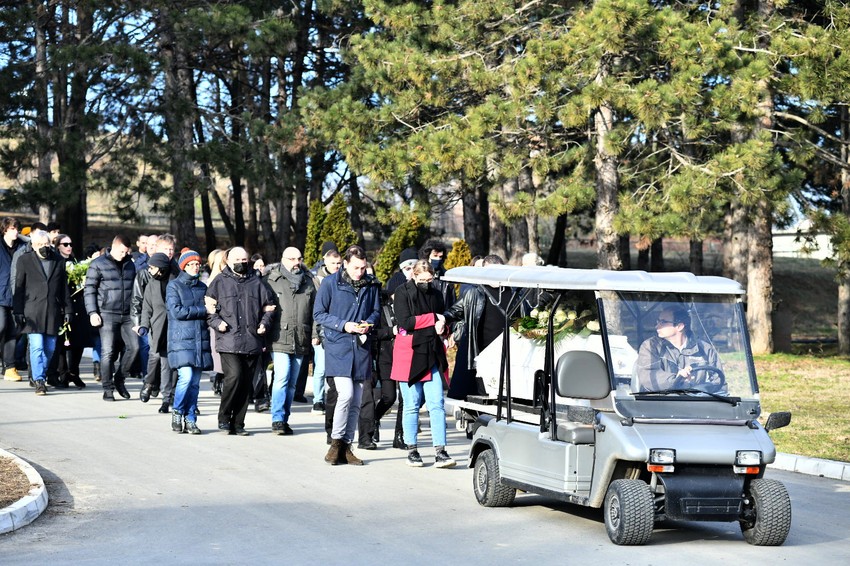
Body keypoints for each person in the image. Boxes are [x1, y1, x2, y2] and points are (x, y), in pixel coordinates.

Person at [313, 245, 380, 465]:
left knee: (358, 399)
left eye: (362, 268)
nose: (359, 272)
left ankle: (347, 446)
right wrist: (344, 325)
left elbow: (376, 311)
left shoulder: (370, 285)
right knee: (345, 394)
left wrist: (367, 324)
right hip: (338, 345)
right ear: (345, 264)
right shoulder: (331, 283)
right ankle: (335, 442)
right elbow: (319, 314)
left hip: (360, 347)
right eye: (355, 268)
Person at [390, 260, 455, 468]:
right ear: (414, 276)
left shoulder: (436, 293)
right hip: (409, 353)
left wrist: (443, 326)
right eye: (422, 280)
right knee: (411, 405)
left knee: (437, 404)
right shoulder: (402, 292)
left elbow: (442, 320)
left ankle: (441, 450)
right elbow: (405, 322)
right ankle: (412, 449)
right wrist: (433, 318)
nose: (427, 283)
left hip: (431, 351)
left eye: (430, 279)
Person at [205, 247, 276, 435]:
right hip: (228, 340)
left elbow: (269, 308)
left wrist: (264, 324)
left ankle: (238, 423)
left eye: (245, 260)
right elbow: (209, 311)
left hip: (252, 340)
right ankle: (224, 418)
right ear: (228, 261)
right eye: (238, 259)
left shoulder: (257, 282)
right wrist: (218, 323)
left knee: (245, 383)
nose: (242, 263)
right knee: (234, 377)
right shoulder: (219, 282)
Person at [13, 230, 74, 396]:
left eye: (46, 244)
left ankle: (39, 373)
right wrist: (18, 311)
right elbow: (19, 287)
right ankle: (40, 380)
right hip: (32, 311)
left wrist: (68, 309)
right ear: (33, 245)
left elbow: (63, 288)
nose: (43, 247)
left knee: (49, 348)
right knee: (37, 346)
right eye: (39, 244)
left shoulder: (58, 261)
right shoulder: (24, 260)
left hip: (53, 311)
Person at [264, 247, 317, 435]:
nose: (296, 262)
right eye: (292, 258)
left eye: (299, 258)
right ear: (283, 259)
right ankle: (277, 418)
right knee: (282, 376)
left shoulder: (309, 282)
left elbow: (315, 313)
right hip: (279, 336)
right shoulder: (271, 280)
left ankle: (284, 419)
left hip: (300, 336)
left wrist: (315, 335)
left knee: (293, 383)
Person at [444, 254, 506, 400]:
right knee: (480, 394)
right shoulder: (474, 293)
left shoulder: (514, 292)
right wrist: (442, 318)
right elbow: (455, 310)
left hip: (504, 351)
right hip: (481, 351)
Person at [84, 234, 137, 401]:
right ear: (114, 247)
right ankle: (107, 388)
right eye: (122, 251)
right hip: (106, 313)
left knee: (134, 348)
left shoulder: (130, 264)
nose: (125, 254)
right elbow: (89, 290)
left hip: (128, 314)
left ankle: (120, 379)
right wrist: (92, 312)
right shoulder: (97, 264)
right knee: (108, 352)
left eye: (127, 251)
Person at [166, 249, 212, 435]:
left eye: (197, 264)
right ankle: (177, 411)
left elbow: (211, 310)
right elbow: (177, 311)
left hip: (200, 340)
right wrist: (203, 309)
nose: (195, 267)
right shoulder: (174, 286)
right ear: (184, 266)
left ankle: (190, 418)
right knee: (185, 377)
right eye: (191, 264)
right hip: (180, 339)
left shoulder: (203, 287)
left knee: (194, 383)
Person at [635, 305, 724, 393]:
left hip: (696, 404)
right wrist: (676, 379)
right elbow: (649, 377)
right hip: (660, 403)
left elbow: (719, 383)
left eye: (663, 322)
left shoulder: (705, 349)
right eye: (658, 321)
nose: (657, 326)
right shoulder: (650, 346)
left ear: (680, 326)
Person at [138, 253, 177, 413]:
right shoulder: (151, 284)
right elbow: (147, 308)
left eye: (152, 267)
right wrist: (143, 325)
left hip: (174, 329)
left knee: (168, 365)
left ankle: (168, 397)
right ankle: (150, 385)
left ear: (161, 268)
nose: (149, 270)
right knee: (156, 360)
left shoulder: (176, 281)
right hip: (157, 329)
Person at [307, 248, 342, 412]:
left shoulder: (343, 278)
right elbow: (317, 311)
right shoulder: (317, 279)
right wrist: (315, 334)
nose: (336, 266)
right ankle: (318, 400)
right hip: (321, 330)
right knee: (320, 368)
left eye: (338, 263)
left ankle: (334, 397)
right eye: (333, 263)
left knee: (333, 369)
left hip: (338, 330)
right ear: (325, 261)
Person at [1, 218, 24, 382]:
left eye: (17, 228)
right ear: (4, 230)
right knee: (1, 326)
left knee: (13, 332)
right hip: (0, 294)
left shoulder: (23, 247)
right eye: (12, 228)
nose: (15, 231)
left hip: (17, 295)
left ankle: (9, 367)